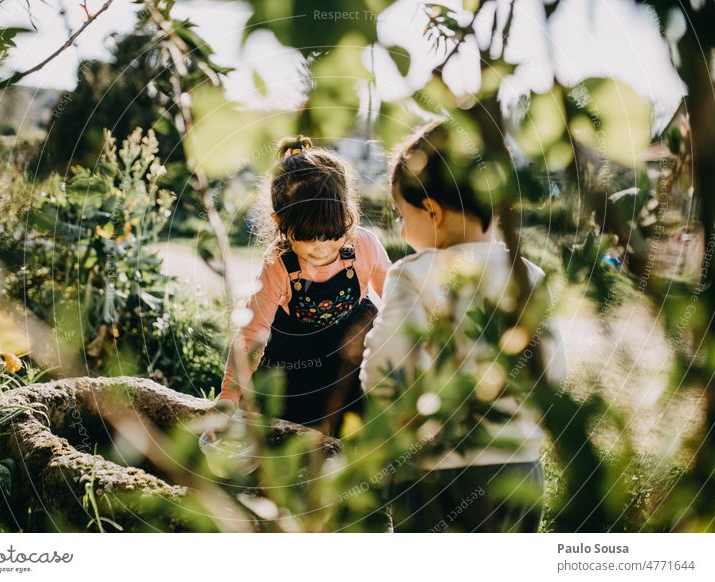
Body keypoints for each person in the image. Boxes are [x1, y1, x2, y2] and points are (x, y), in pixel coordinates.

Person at [359, 120, 566, 532]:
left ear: (432, 212)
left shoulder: (414, 274)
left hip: (439, 472)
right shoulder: (529, 276)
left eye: (402, 215)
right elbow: (553, 375)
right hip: (519, 469)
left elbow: (382, 367)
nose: (401, 229)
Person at [213, 136, 391, 437]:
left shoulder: (365, 246)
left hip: (348, 345)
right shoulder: (278, 264)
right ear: (280, 222)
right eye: (308, 236)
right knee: (289, 423)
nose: (321, 246)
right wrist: (229, 394)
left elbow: (397, 300)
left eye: (333, 232)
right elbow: (252, 333)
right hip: (296, 354)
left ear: (348, 216)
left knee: (355, 415)